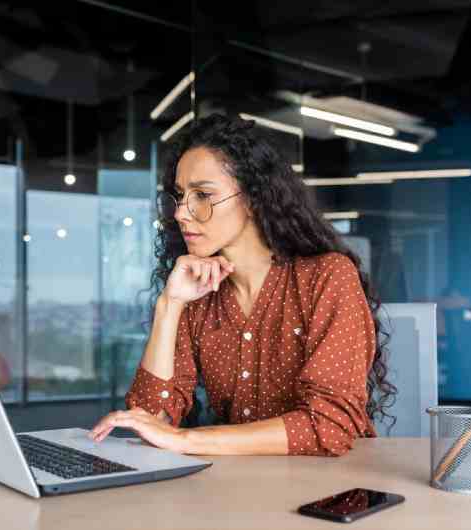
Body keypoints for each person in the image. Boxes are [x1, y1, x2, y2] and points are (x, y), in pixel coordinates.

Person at [89, 114, 394, 456]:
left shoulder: (327, 277)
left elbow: (330, 425)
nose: (181, 214)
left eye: (202, 195)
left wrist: (187, 440)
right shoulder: (198, 294)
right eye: (180, 196)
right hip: (240, 488)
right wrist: (169, 305)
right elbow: (150, 419)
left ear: (252, 197)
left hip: (330, 490)